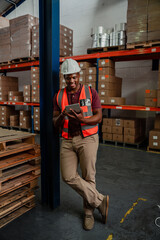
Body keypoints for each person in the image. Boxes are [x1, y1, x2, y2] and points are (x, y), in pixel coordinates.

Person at [53, 58, 109, 231]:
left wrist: (83, 119)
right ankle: (100, 201)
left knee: (88, 177)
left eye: (74, 77)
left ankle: (88, 213)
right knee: (68, 176)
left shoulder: (91, 92)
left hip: (88, 138)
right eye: (68, 78)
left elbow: (99, 117)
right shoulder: (58, 95)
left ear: (79, 75)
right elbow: (55, 122)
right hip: (68, 140)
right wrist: (62, 115)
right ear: (64, 78)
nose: (71, 81)